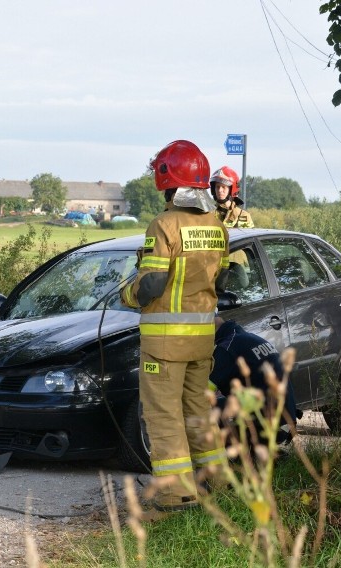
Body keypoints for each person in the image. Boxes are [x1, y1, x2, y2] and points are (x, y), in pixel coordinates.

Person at [120, 140, 230, 512]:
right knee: (197, 410)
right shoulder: (217, 225)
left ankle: (175, 493)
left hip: (165, 345)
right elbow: (225, 281)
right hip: (202, 342)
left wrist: (129, 294)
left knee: (163, 415)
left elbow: (151, 285)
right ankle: (216, 481)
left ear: (168, 180)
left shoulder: (164, 224)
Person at [210, 316, 298, 447]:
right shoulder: (248, 338)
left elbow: (200, 391)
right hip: (287, 420)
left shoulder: (226, 348)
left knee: (211, 405)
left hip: (269, 424)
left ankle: (233, 454)